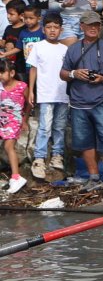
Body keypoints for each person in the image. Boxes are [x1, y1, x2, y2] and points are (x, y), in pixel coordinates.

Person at [59, 10, 103, 190]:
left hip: (102, 100)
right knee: (85, 142)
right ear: (82, 26)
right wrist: (75, 73)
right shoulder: (73, 48)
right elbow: (63, 73)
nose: (94, 28)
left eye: (96, 25)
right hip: (78, 103)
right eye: (90, 25)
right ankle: (94, 177)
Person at [26, 11, 68, 180]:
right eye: (49, 27)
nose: (52, 30)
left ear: (61, 30)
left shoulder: (65, 49)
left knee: (59, 126)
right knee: (45, 126)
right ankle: (39, 158)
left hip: (63, 94)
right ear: (43, 29)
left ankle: (57, 155)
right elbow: (33, 69)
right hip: (45, 94)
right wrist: (31, 90)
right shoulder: (38, 46)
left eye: (55, 27)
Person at [0, 59, 28, 193]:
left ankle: (16, 177)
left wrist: (25, 119)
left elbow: (29, 104)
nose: (0, 75)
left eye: (2, 72)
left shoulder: (22, 86)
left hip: (14, 120)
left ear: (12, 73)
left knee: (8, 145)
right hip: (1, 119)